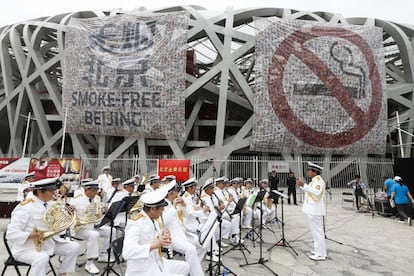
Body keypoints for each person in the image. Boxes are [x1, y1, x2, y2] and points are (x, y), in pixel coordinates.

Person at [7, 177, 80, 276]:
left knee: (74, 247)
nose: (54, 193)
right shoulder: (25, 207)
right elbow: (11, 234)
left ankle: (62, 273)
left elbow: (58, 224)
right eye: (51, 191)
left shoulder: (50, 204)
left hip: (47, 244)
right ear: (40, 192)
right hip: (27, 249)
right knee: (42, 258)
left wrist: (68, 212)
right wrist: (35, 235)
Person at [122, 188, 190, 276]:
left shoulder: (152, 219)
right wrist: (154, 245)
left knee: (186, 266)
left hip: (156, 262)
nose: (163, 211)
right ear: (152, 209)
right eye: (161, 208)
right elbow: (127, 253)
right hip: (142, 270)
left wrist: (163, 236)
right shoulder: (136, 223)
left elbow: (154, 236)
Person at [161, 180, 204, 276]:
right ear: (171, 193)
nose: (178, 193)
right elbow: (163, 220)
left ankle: (192, 267)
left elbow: (184, 214)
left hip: (182, 232)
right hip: (171, 236)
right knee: (191, 249)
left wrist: (184, 205)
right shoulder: (163, 204)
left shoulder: (173, 202)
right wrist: (173, 207)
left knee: (202, 244)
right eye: (176, 191)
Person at [70, 180, 112, 274]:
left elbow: (98, 213)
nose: (95, 193)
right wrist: (70, 208)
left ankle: (103, 254)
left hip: (93, 225)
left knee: (110, 230)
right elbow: (68, 210)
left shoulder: (96, 199)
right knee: (94, 235)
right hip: (80, 229)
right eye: (93, 191)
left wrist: (104, 210)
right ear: (86, 190)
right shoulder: (77, 199)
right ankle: (89, 263)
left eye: (96, 190)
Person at [296, 162, 327, 261]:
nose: (308, 172)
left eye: (309, 171)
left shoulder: (318, 181)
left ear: (315, 172)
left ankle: (321, 254)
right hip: (312, 210)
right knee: (315, 232)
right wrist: (302, 185)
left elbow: (316, 192)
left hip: (316, 211)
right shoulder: (314, 181)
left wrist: (304, 185)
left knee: (318, 232)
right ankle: (317, 250)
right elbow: (310, 191)